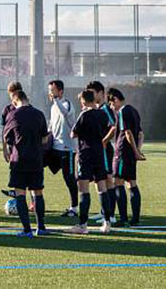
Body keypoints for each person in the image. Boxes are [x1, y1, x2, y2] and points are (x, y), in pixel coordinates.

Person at [2, 90, 48, 237]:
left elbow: (8, 138)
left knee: (20, 193)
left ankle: (27, 230)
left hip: (19, 159)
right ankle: (41, 227)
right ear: (27, 99)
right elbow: (45, 139)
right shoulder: (39, 114)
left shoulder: (13, 115)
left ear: (15, 102)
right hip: (36, 159)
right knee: (37, 193)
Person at [67, 90, 112, 235]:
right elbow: (108, 129)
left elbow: (73, 133)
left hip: (85, 155)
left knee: (83, 189)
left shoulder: (84, 114)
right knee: (102, 188)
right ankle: (107, 222)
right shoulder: (103, 114)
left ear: (84, 102)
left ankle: (82, 225)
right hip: (99, 154)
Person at [108, 88, 146, 227]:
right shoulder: (134, 111)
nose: (112, 108)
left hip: (122, 152)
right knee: (132, 184)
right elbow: (141, 134)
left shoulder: (122, 111)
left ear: (116, 100)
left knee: (118, 182)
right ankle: (135, 219)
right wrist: (138, 150)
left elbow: (128, 133)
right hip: (130, 154)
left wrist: (135, 152)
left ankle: (123, 218)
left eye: (111, 104)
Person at [86, 81, 117, 224]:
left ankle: (110, 215)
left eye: (93, 92)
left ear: (101, 93)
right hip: (97, 151)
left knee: (107, 180)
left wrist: (103, 141)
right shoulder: (96, 110)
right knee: (100, 181)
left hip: (104, 150)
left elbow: (114, 127)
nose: (91, 95)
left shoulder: (105, 109)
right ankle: (104, 212)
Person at [47, 80, 79, 217]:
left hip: (67, 148)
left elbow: (65, 113)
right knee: (36, 164)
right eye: (50, 90)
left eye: (53, 90)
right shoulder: (54, 106)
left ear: (60, 91)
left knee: (69, 178)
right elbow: (52, 123)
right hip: (54, 147)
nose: (51, 93)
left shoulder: (67, 104)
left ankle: (74, 207)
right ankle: (30, 199)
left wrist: (55, 100)